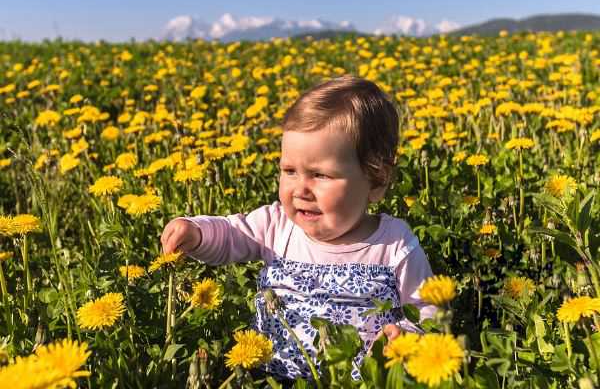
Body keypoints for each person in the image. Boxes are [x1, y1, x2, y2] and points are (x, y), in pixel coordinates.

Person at [160, 75, 435, 380]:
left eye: (320, 175)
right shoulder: (277, 226)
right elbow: (232, 234)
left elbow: (428, 308)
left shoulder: (394, 245)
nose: (300, 189)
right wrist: (196, 232)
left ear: (376, 179)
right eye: (289, 171)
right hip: (271, 379)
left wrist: (407, 338)